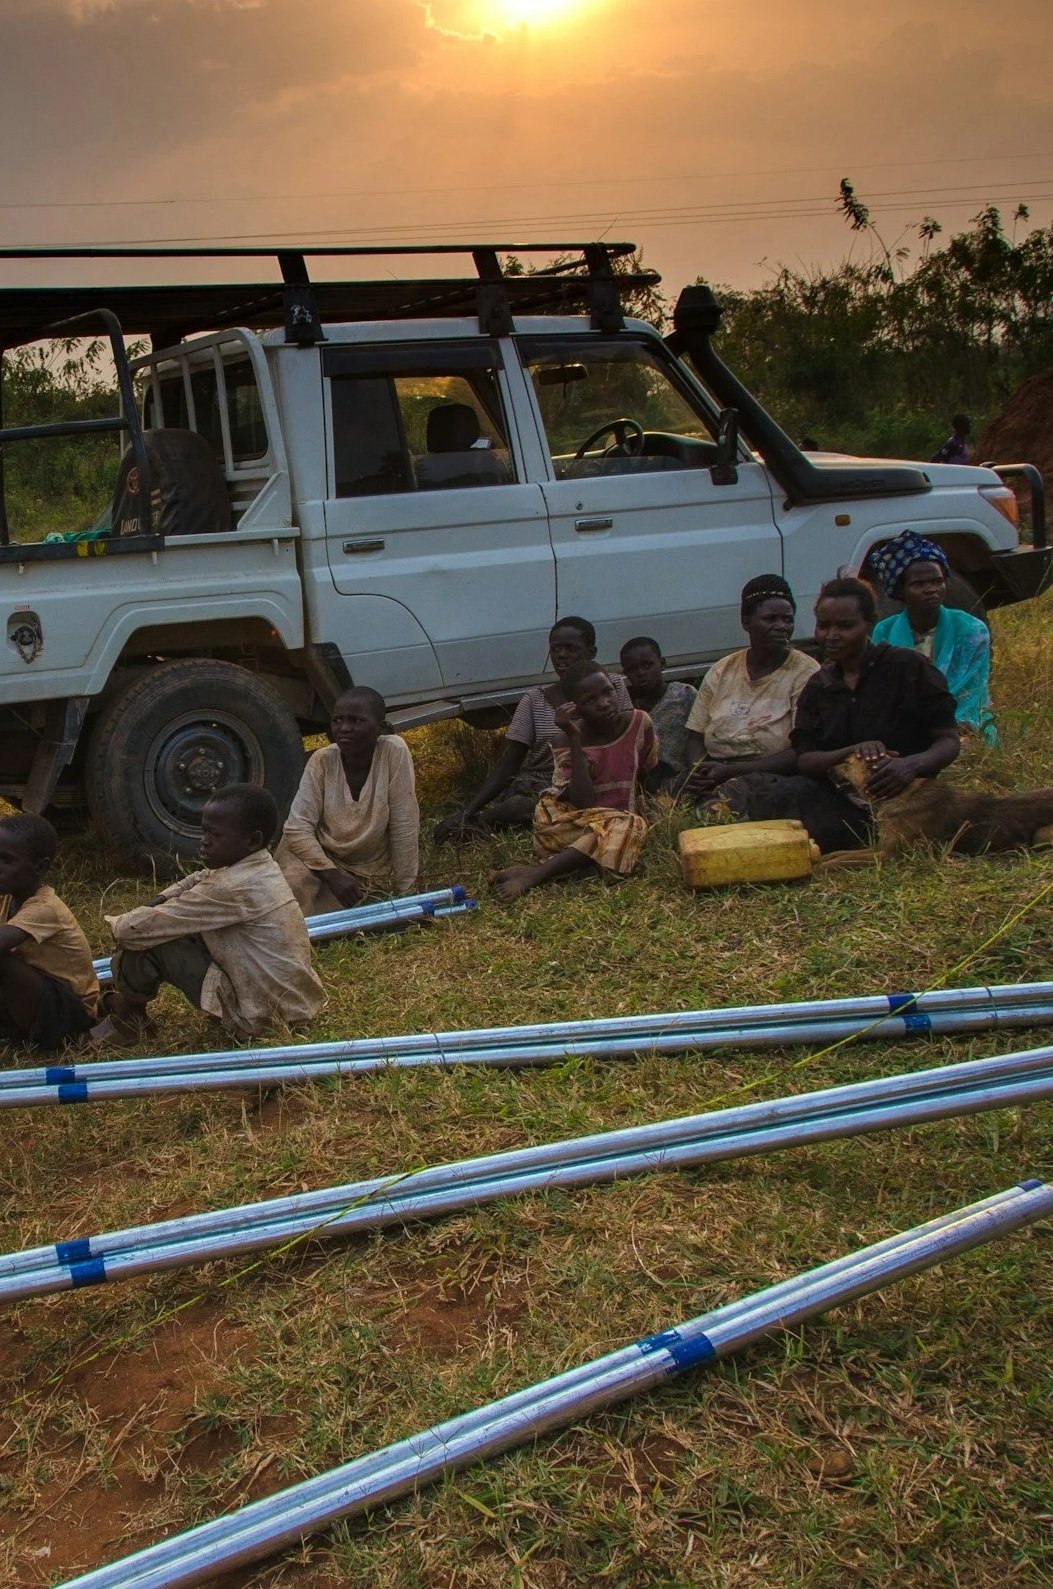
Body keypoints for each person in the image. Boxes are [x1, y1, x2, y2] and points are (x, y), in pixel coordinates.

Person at [714, 576, 961, 851]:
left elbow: (948, 740)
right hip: (841, 798)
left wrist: (909, 766)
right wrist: (850, 752)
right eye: (823, 626)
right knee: (770, 796)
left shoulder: (907, 667)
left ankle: (887, 837)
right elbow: (806, 759)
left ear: (869, 623)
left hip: (906, 796)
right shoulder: (820, 685)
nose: (831, 636)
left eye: (845, 626)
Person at [93, 784, 324, 1045]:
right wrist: (159, 900)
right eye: (203, 831)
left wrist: (131, 919)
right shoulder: (259, 866)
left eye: (214, 834)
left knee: (147, 939)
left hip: (260, 1021)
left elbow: (129, 931)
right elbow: (200, 877)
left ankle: (129, 1019)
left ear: (252, 840)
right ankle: (122, 1003)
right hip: (293, 1009)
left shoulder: (230, 888)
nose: (204, 841)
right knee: (160, 926)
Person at [433, 617, 631, 841]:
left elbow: (627, 736)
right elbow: (509, 764)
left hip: (600, 778)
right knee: (519, 807)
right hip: (545, 784)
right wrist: (467, 812)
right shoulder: (535, 700)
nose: (562, 655)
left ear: (591, 651)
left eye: (571, 648)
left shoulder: (611, 686)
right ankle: (480, 823)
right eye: (556, 649)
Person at [491, 662, 658, 900]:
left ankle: (544, 870)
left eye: (608, 692)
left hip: (614, 827)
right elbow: (583, 801)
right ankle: (537, 876)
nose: (604, 703)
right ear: (575, 708)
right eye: (590, 701)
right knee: (631, 827)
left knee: (629, 826)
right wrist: (574, 737)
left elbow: (645, 771)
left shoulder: (640, 722)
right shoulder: (565, 739)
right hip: (566, 825)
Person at [276, 687, 419, 914]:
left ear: (380, 728)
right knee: (291, 891)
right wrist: (332, 875)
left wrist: (406, 891)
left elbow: (404, 824)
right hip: (316, 857)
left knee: (340, 904)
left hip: (367, 867)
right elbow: (297, 828)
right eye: (337, 720)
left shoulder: (394, 752)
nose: (344, 728)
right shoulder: (322, 760)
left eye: (356, 720)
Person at [680, 575, 819, 797]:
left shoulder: (805, 672)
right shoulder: (722, 669)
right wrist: (699, 772)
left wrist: (730, 773)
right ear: (746, 622)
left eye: (788, 619)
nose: (781, 626)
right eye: (771, 619)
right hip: (716, 771)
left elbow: (800, 752)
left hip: (773, 776)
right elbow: (695, 738)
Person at [869, 530, 995, 742]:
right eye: (919, 584)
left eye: (937, 581)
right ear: (900, 591)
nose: (931, 590)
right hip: (903, 725)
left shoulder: (972, 630)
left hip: (963, 724)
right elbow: (884, 692)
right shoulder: (884, 631)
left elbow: (970, 695)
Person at [0, 814, 99, 1054]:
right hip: (40, 1000)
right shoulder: (8, 897)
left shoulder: (45, 908)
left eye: (6, 860)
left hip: (70, 1015)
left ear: (40, 867)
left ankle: (34, 1037)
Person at [618, 636, 697, 788]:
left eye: (647, 665)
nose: (641, 673)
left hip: (682, 778)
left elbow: (700, 735)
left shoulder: (684, 694)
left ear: (662, 664)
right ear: (625, 673)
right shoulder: (626, 708)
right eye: (633, 669)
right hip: (643, 782)